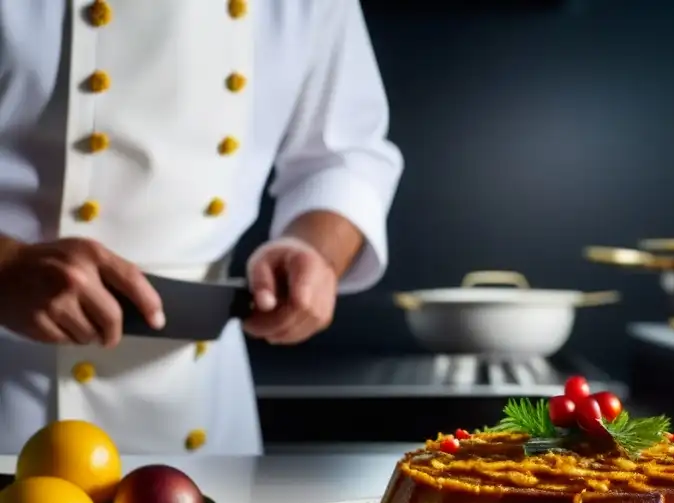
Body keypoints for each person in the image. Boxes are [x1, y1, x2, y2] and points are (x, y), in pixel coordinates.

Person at [0, 0, 403, 456]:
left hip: (201, 405)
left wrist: (315, 249)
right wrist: (6, 265)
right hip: (12, 396)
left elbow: (344, 152)